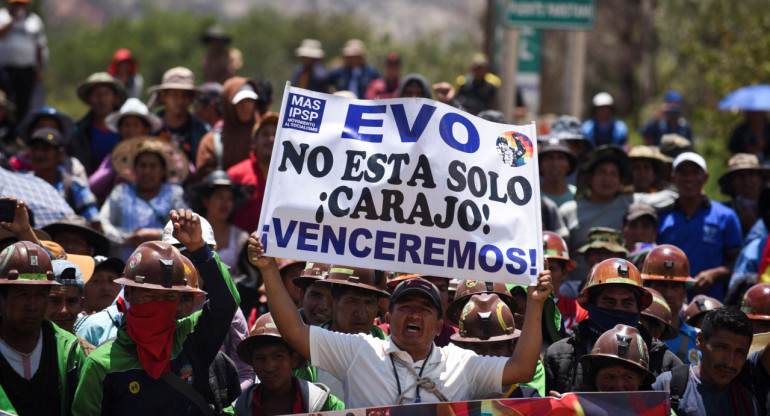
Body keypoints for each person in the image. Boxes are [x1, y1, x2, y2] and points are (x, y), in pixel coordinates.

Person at [249, 236, 553, 408]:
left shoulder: (463, 364)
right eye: (405, 306)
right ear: (388, 318)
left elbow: (523, 369)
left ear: (438, 327)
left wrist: (536, 302)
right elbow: (293, 331)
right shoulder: (359, 352)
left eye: (425, 309)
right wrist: (267, 269)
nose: (414, 314)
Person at [72, 210, 241, 416]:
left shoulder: (191, 338)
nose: (159, 306)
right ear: (130, 294)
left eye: (169, 297)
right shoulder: (101, 364)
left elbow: (226, 304)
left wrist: (200, 249)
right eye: (149, 296)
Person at [544, 258, 681, 393]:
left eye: (627, 303)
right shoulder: (560, 356)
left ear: (639, 309)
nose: (619, 309)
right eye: (610, 302)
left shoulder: (665, 362)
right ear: (591, 305)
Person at [0, 241, 86, 416]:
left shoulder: (70, 350)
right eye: (23, 294)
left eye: (40, 295)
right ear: (1, 298)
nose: (32, 305)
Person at [657, 152, 742, 302]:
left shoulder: (725, 216)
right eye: (683, 173)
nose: (689, 178)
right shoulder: (661, 217)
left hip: (711, 302)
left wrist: (714, 274)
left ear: (705, 177)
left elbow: (737, 262)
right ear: (673, 178)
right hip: (668, 301)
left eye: (695, 173)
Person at [294, 266, 390, 399]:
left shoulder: (393, 352)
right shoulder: (303, 351)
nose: (361, 313)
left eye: (369, 303)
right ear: (332, 302)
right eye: (352, 301)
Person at [652, 306, 766, 416]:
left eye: (740, 351)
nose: (730, 362)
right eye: (722, 347)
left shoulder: (752, 384)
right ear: (700, 340)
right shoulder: (667, 386)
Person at [233, 312, 345, 414]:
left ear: (294, 359)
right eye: (260, 358)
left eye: (278, 356)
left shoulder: (328, 406)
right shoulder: (236, 411)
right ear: (252, 362)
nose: (269, 367)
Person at [99, 137, 189, 259]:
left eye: (153, 166)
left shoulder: (174, 194)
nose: (147, 171)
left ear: (163, 171)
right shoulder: (120, 191)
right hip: (122, 264)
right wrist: (129, 237)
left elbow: (185, 229)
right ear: (134, 169)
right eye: (142, 165)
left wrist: (157, 235)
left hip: (162, 265)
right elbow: (102, 223)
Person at [560, 145, 634, 281]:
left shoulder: (630, 204)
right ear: (589, 178)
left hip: (619, 286)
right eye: (602, 173)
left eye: (613, 174)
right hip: (575, 287)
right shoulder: (569, 210)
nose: (608, 179)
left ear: (620, 180)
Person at [450, 293, 540, 398]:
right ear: (462, 349)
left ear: (511, 351)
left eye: (497, 348)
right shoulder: (449, 395)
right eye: (478, 348)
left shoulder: (528, 401)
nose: (488, 356)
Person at [89, 97, 164, 203]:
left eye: (136, 126)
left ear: (146, 129)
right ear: (120, 130)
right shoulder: (114, 156)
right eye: (126, 126)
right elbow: (93, 186)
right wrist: (115, 165)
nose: (130, 130)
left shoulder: (158, 153)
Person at [24, 127, 100, 224]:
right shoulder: (23, 183)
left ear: (61, 154)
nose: (39, 154)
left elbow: (94, 222)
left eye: (46, 149)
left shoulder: (74, 186)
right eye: (35, 149)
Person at [640, 244, 701, 365]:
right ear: (647, 288)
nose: (668, 293)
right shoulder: (635, 334)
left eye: (675, 286)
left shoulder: (700, 338)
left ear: (684, 291)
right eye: (661, 286)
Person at [185, 169, 251, 277]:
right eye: (219, 197)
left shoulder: (240, 237)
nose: (225, 203)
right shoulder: (191, 229)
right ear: (206, 201)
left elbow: (245, 276)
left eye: (229, 198)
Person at [196, 76, 260, 179]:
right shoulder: (211, 142)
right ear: (228, 105)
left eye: (250, 100)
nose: (246, 106)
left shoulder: (266, 137)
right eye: (240, 102)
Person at [227, 112, 278, 233]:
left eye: (277, 134)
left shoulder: (292, 176)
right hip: (242, 249)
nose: (271, 139)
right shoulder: (236, 174)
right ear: (254, 142)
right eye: (265, 134)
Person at [69, 72, 127, 175]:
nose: (102, 99)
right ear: (88, 99)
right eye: (96, 95)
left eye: (106, 94)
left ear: (115, 98)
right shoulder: (78, 131)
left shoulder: (128, 128)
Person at [148, 67, 208, 161]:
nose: (180, 101)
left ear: (191, 98)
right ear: (164, 96)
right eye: (174, 94)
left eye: (185, 95)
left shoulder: (201, 130)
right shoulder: (150, 128)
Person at [0, 0, 46, 120]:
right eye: (16, 3)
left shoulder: (34, 21)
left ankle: (19, 132)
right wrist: (13, 20)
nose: (19, 6)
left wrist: (39, 70)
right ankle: (5, 130)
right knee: (6, 102)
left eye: (22, 4)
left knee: (24, 102)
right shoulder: (2, 16)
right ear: (10, 4)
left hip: (26, 69)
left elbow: (39, 47)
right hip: (5, 69)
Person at [578, 324, 656, 392]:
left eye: (628, 377)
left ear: (641, 379)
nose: (619, 387)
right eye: (609, 377)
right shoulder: (577, 408)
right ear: (594, 377)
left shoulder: (657, 408)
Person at [543, 231, 586, 335]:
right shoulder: (516, 307)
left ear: (564, 272)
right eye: (539, 267)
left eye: (551, 268)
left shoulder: (578, 312)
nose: (544, 273)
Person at [718, 153, 769, 236]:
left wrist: (754, 225)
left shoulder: (768, 211)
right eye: (739, 176)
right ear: (731, 183)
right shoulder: (721, 213)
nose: (746, 181)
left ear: (761, 179)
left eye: (751, 174)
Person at [42, 214, 110, 257]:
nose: (69, 247)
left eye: (78, 242)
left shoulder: (97, 278)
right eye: (62, 240)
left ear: (90, 250)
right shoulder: (40, 276)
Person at [292, 262, 334, 326]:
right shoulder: (278, 328)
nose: (323, 306)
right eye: (316, 295)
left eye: (333, 297)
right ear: (302, 296)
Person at [538, 137, 577, 207]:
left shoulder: (578, 196)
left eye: (561, 158)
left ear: (569, 165)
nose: (555, 164)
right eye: (550, 158)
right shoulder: (533, 198)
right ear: (539, 165)